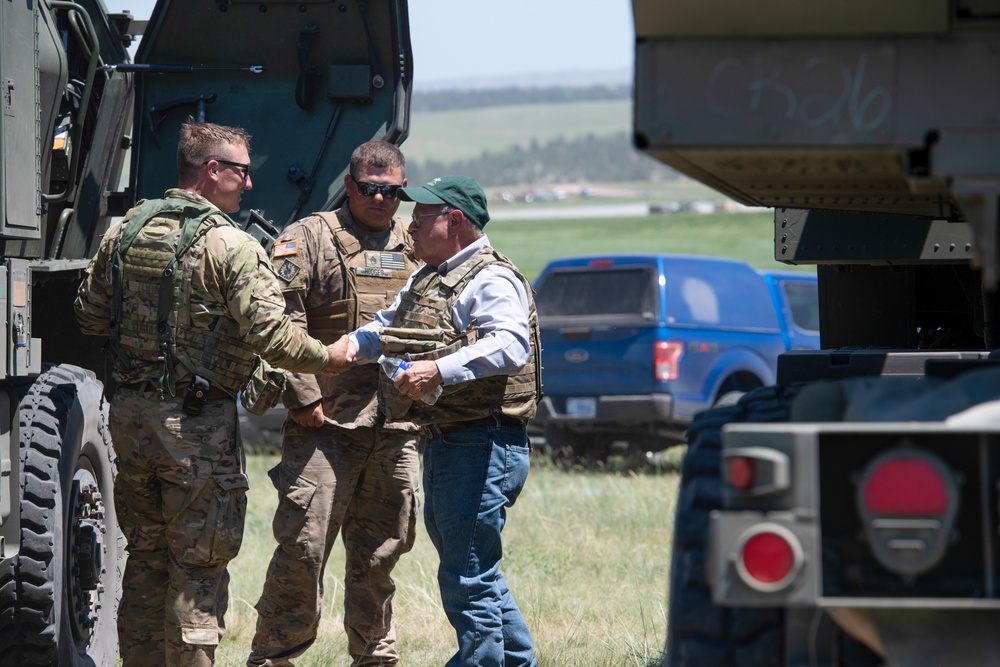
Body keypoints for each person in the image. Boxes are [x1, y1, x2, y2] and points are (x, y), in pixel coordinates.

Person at [74, 120, 348, 667]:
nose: (249, 184)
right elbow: (274, 337)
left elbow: (88, 315)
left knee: (146, 561)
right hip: (195, 431)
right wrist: (331, 356)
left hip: (129, 420)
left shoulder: (124, 231)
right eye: (242, 171)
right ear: (212, 170)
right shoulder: (233, 245)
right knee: (198, 569)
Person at [332, 175, 542, 667]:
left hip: (482, 444)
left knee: (466, 571)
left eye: (422, 216)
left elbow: (510, 345)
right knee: (473, 568)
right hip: (452, 444)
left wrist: (437, 370)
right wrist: (341, 351)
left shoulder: (490, 278)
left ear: (454, 221)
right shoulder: (431, 275)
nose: (410, 225)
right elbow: (386, 329)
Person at [246, 141, 422, 667]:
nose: (380, 199)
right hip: (325, 424)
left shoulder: (415, 245)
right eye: (369, 188)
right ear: (349, 185)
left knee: (381, 553)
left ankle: (375, 656)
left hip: (395, 426)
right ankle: (274, 656)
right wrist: (301, 397)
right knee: (303, 548)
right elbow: (282, 318)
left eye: (392, 191)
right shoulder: (308, 238)